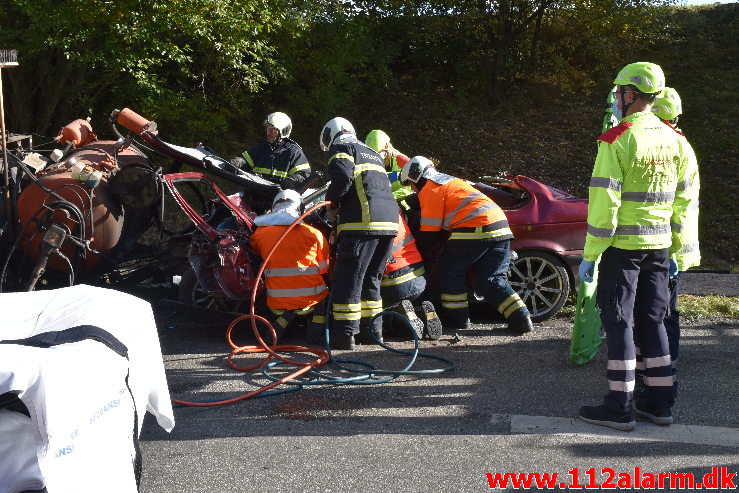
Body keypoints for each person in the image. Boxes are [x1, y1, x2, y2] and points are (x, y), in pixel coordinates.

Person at [577, 63, 694, 431]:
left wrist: (591, 253)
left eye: (618, 92)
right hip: (659, 247)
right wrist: (679, 249)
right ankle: (659, 404)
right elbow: (685, 201)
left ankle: (619, 406)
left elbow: (604, 200)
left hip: (622, 248)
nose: (615, 98)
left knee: (620, 321)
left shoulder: (618, 138)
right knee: (653, 319)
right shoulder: (677, 141)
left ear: (629, 94)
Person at [399, 156, 533, 337]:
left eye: (410, 184)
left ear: (416, 177)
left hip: (473, 228)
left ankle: (457, 319)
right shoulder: (450, 181)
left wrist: (415, 254)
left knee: (450, 272)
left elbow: (429, 232)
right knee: (492, 280)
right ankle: (521, 319)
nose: (412, 189)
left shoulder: (430, 189)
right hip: (500, 226)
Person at [635, 86, 700, 401]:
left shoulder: (671, 147)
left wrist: (671, 248)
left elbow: (679, 206)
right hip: (671, 248)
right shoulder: (680, 145)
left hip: (667, 247)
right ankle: (655, 373)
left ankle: (662, 379)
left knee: (660, 315)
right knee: (659, 313)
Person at [319, 117, 399, 350]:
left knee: (348, 278)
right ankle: (373, 332)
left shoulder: (342, 147)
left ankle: (344, 335)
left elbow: (342, 177)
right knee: (371, 279)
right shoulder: (371, 151)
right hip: (389, 223)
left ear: (331, 133)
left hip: (362, 223)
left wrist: (331, 205)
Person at [249, 189, 330, 344]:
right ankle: (314, 331)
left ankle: (287, 316)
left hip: (276, 301)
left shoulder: (260, 234)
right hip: (310, 300)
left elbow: (256, 252)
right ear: (299, 209)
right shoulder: (314, 234)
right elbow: (325, 268)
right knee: (325, 296)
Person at [381, 210, 442, 341]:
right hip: (418, 277)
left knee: (380, 318)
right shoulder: (393, 210)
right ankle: (419, 311)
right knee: (409, 302)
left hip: (394, 282)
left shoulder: (362, 219)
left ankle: (400, 320)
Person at [231, 112, 312, 191]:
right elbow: (245, 160)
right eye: (268, 128)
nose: (268, 133)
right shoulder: (260, 147)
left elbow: (304, 174)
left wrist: (290, 182)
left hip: (278, 198)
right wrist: (238, 162)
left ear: (283, 132)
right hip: (255, 193)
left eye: (273, 130)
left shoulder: (293, 152)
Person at [365, 130, 414, 205]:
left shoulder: (403, 161)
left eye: (378, 154)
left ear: (387, 146)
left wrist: (388, 197)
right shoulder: (371, 163)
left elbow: (410, 189)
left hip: (403, 205)